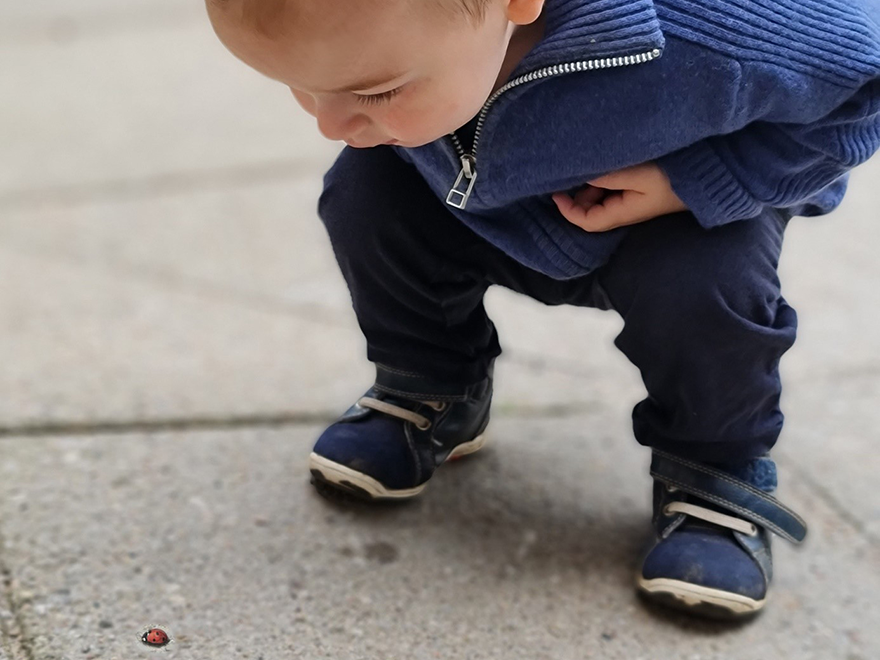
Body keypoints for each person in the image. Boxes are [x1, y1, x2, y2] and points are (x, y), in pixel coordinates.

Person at [205, 0, 880, 618]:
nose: (333, 123)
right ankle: (433, 385)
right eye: (301, 88)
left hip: (668, 212)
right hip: (475, 183)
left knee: (708, 294)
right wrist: (383, 102)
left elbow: (864, 82)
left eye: (376, 90)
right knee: (365, 196)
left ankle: (715, 470)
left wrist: (704, 181)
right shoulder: (409, 46)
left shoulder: (722, 21)